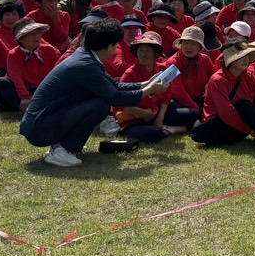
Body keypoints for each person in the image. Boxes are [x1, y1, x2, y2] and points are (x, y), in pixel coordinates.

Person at [19, 19, 166, 167]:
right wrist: (149, 90)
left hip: (41, 123)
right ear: (109, 46)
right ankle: (64, 150)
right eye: (116, 45)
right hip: (40, 128)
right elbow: (114, 97)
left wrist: (146, 83)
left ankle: (63, 146)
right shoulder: (86, 65)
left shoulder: (85, 57)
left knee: (100, 102)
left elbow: (114, 85)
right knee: (101, 105)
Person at [0, 18, 60, 112]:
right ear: (21, 39)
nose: (37, 36)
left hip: (44, 89)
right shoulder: (13, 55)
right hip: (24, 90)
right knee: (2, 82)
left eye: (37, 32)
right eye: (31, 34)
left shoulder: (49, 50)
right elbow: (16, 78)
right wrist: (24, 96)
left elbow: (58, 71)